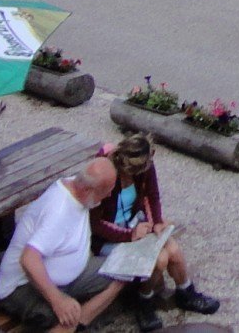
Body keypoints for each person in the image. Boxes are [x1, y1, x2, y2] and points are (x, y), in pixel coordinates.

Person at [93, 131, 220, 330]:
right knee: (159, 259)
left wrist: (157, 222)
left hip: (135, 226)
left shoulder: (144, 166)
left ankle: (185, 291)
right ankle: (143, 301)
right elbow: (96, 224)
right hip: (110, 237)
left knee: (173, 249)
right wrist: (129, 235)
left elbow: (152, 196)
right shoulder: (108, 175)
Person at [0, 157, 127, 330]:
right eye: (106, 191)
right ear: (88, 190)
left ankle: (80, 323)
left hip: (69, 276)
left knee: (123, 271)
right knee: (65, 317)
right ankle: (71, 323)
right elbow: (29, 259)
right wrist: (58, 300)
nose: (109, 195)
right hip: (22, 285)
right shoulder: (58, 212)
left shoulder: (78, 185)